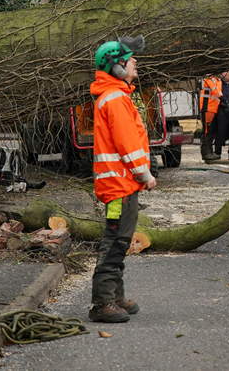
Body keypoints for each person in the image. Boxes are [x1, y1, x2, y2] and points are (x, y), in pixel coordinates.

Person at [89, 36, 156, 324]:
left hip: (122, 185)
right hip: (119, 186)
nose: (135, 62)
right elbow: (128, 143)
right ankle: (102, 303)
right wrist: (145, 174)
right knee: (115, 241)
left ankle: (115, 297)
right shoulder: (115, 99)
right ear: (117, 68)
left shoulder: (117, 95)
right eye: (130, 59)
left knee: (121, 239)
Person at [199, 73, 223, 162]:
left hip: (213, 108)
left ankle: (210, 152)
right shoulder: (209, 78)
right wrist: (222, 98)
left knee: (211, 132)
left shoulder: (218, 79)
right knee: (206, 131)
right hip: (207, 107)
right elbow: (215, 90)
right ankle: (206, 153)